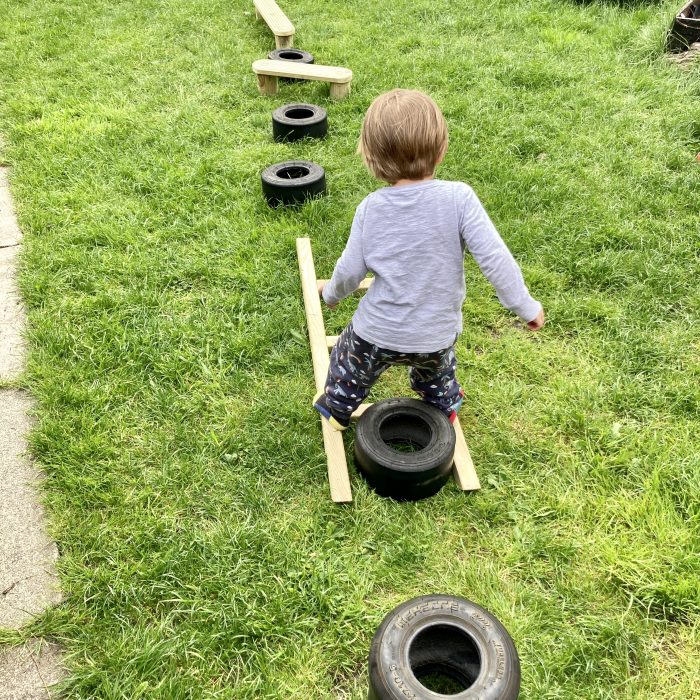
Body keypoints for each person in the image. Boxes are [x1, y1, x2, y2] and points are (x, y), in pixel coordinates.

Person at [314, 88, 544, 431]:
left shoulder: (371, 208)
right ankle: (442, 402)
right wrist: (525, 306)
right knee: (437, 369)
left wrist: (331, 295)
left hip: (376, 334)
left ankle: (338, 406)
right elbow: (495, 260)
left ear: (371, 158)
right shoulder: (460, 199)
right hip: (435, 336)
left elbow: (350, 271)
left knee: (350, 363)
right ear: (441, 148)